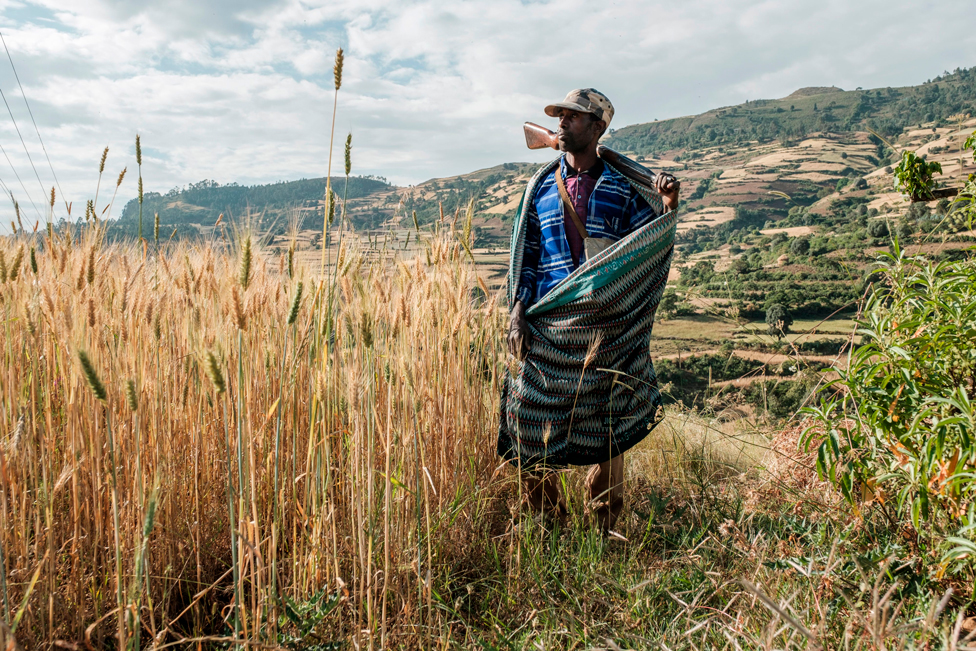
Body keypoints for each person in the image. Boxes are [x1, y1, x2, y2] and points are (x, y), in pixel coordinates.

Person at [498, 88, 679, 532]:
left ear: (598, 127)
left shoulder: (623, 189)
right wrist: (517, 312)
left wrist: (669, 207)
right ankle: (547, 523)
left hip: (607, 330)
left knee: (608, 430)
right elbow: (528, 255)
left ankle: (606, 527)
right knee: (528, 421)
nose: (562, 122)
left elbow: (645, 249)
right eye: (560, 115)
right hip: (547, 329)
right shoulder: (540, 187)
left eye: (573, 117)